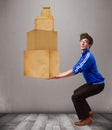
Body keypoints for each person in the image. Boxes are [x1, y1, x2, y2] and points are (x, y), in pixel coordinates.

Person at [50, 33, 105, 126]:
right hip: (93, 83)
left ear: (89, 45)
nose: (83, 43)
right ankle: (88, 112)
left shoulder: (88, 57)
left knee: (76, 97)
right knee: (77, 92)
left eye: (86, 42)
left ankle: (86, 118)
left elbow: (75, 71)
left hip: (97, 84)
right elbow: (74, 68)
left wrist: (59, 76)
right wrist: (58, 74)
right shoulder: (83, 55)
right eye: (82, 41)